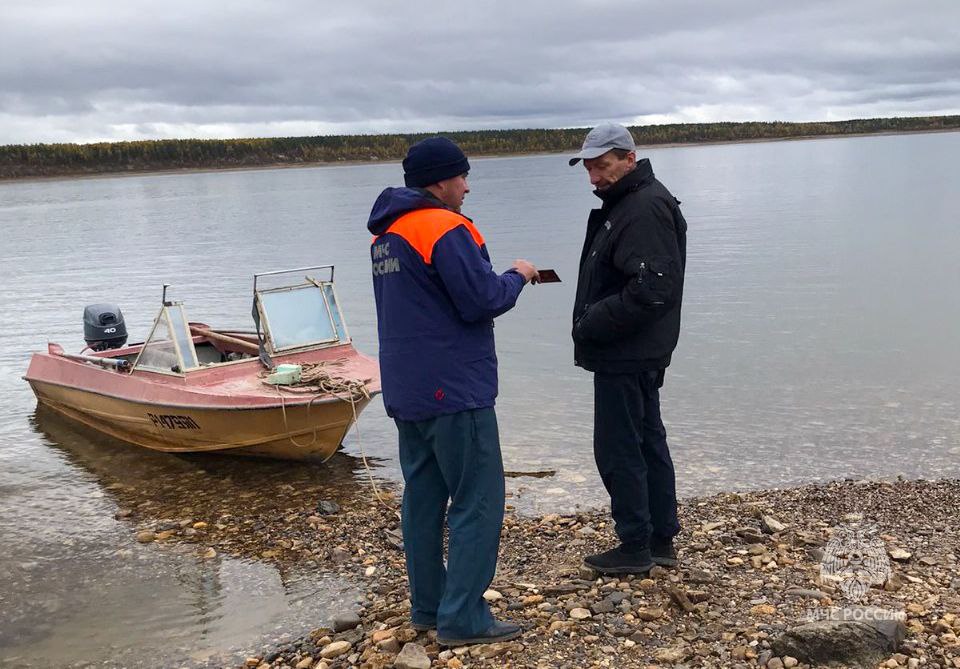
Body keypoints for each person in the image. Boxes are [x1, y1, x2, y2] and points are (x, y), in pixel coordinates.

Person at [367, 136, 538, 645]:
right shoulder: (444, 226)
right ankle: (462, 618)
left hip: (407, 389)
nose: (467, 186)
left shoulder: (386, 236)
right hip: (454, 391)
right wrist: (518, 275)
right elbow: (479, 299)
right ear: (440, 181)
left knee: (422, 498)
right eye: (462, 176)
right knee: (476, 499)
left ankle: (428, 606)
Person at [569, 123, 688, 574]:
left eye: (602, 166)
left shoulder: (643, 207)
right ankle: (658, 538)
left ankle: (637, 544)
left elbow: (653, 289)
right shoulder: (630, 204)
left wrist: (590, 324)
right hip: (635, 349)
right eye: (589, 168)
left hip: (626, 351)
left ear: (628, 159)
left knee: (621, 447)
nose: (594, 177)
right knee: (645, 441)